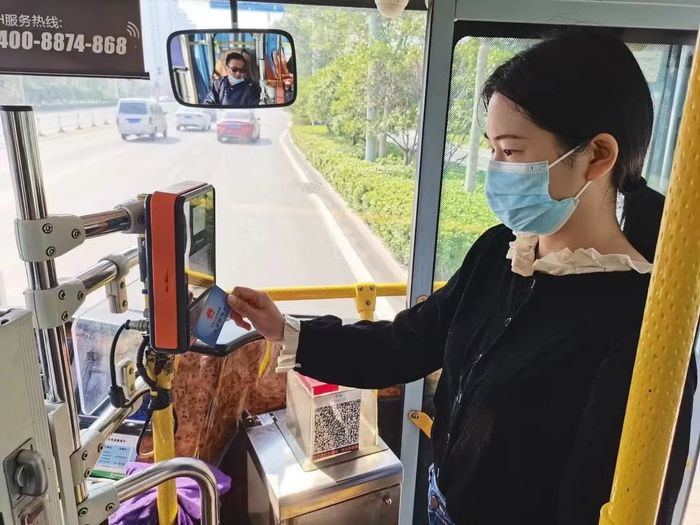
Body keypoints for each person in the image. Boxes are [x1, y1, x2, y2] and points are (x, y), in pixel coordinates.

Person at [226, 28, 696, 524]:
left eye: (511, 152)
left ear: (597, 156)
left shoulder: (639, 329)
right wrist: (286, 331)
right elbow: (406, 343)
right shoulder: (501, 251)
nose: (495, 168)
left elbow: (600, 506)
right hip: (440, 500)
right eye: (491, 148)